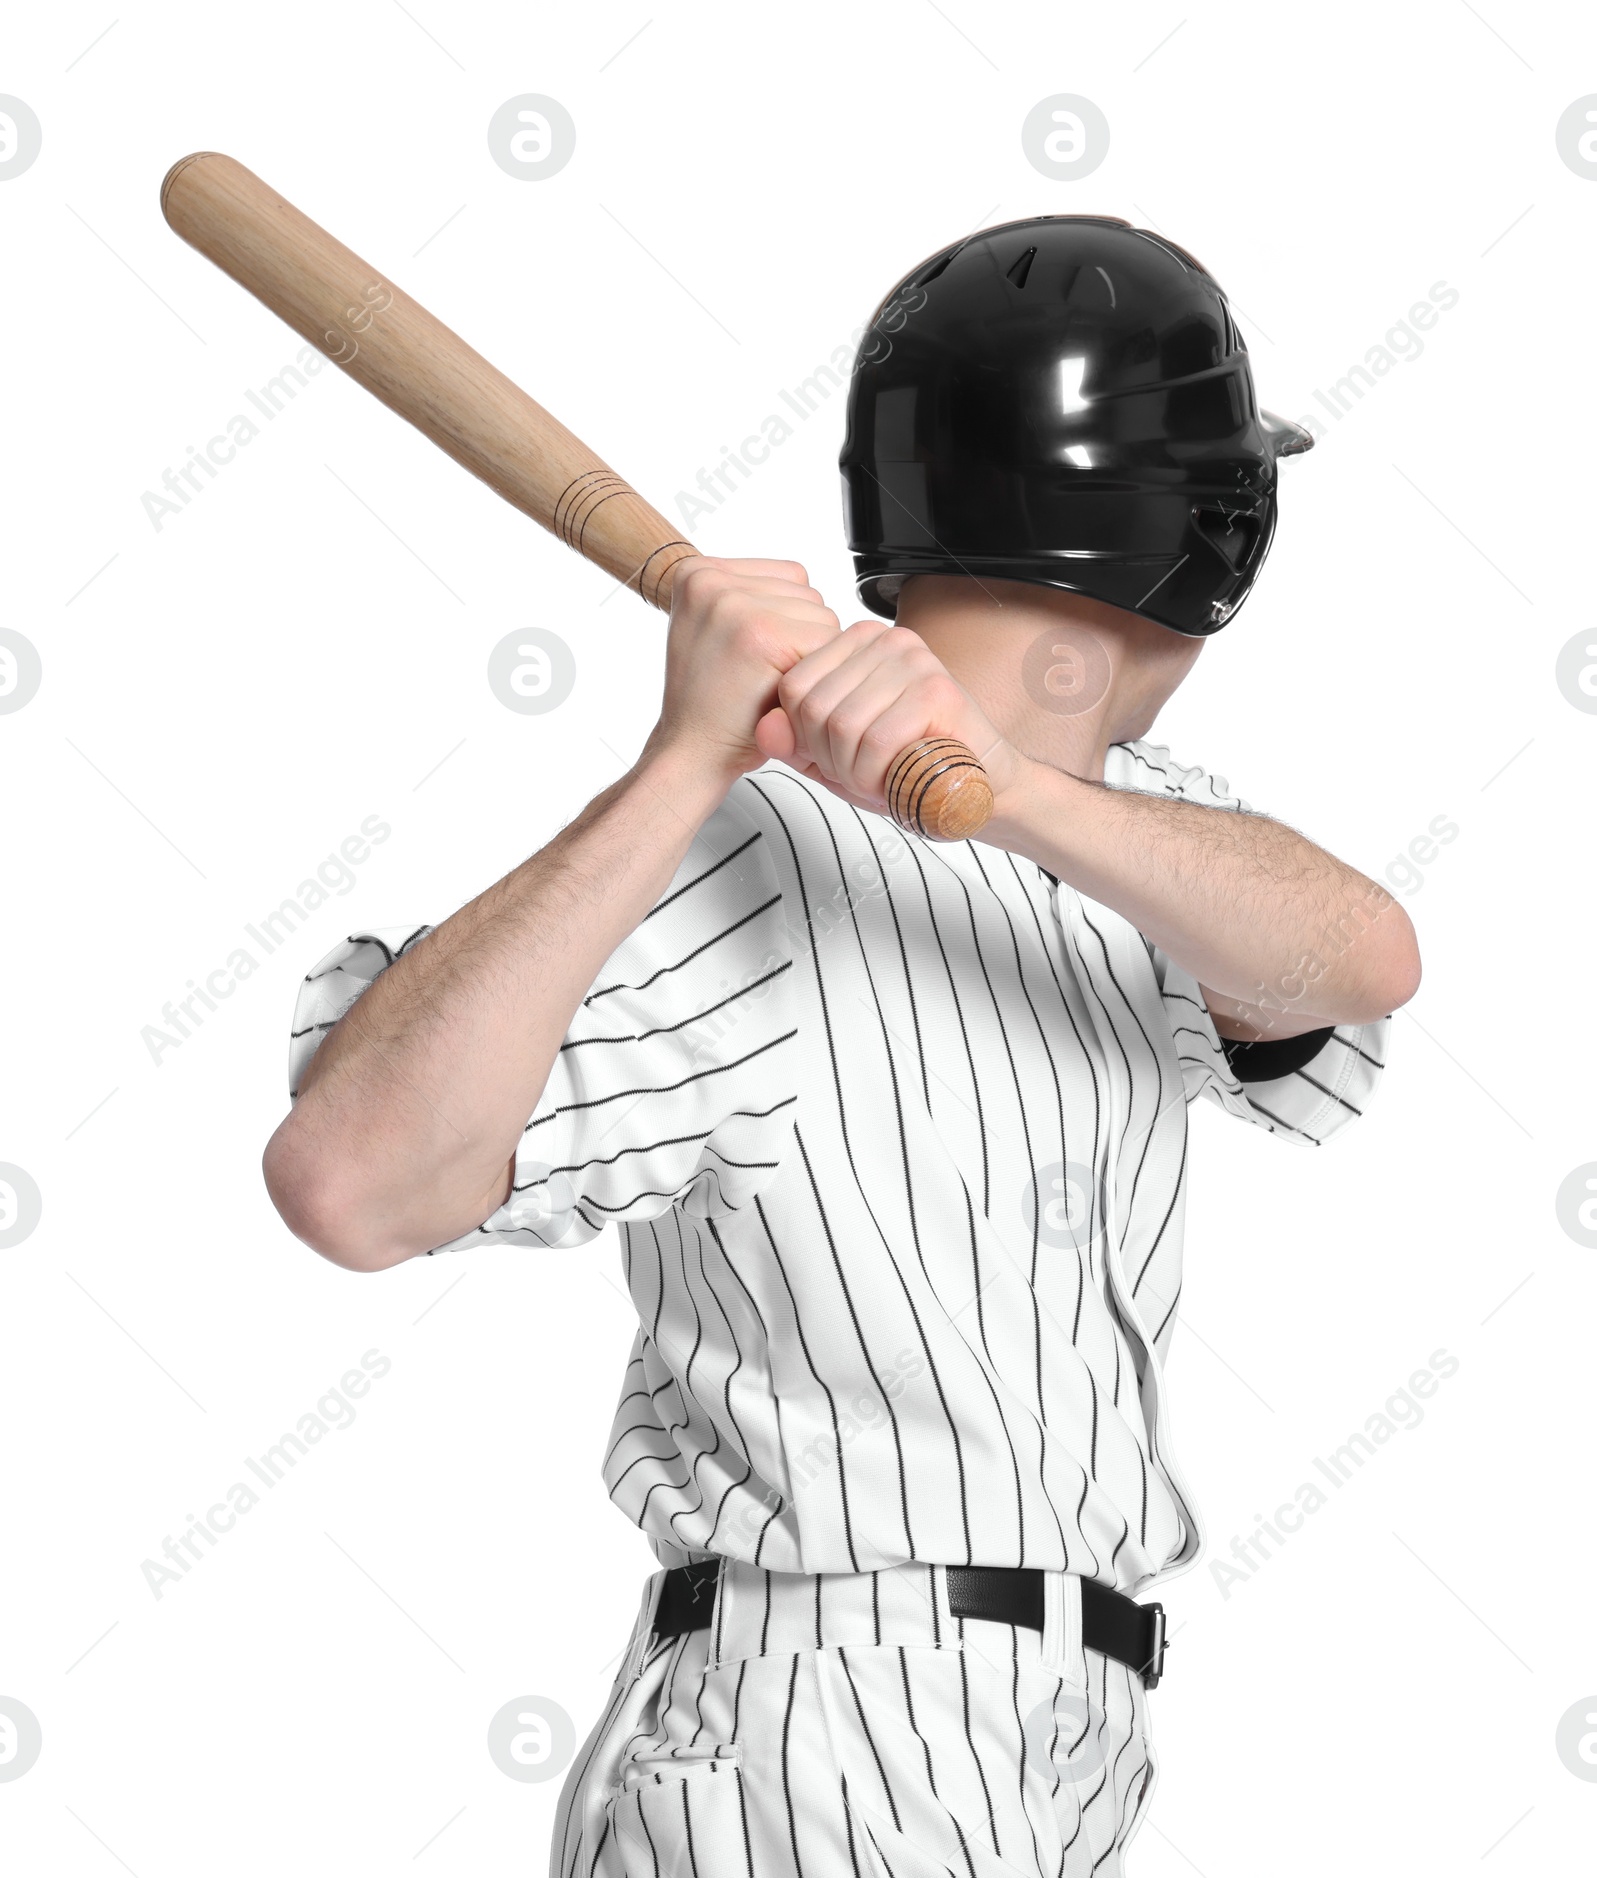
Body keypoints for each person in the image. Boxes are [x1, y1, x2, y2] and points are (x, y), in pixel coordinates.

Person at [264, 217, 1420, 1875]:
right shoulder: (738, 851)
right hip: (814, 1715)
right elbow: (349, 1180)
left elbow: (1365, 955)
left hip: (1067, 1731)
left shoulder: (1133, 843)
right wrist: (678, 764)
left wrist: (1002, 786)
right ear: (1209, 538)